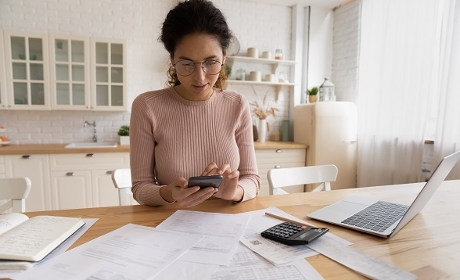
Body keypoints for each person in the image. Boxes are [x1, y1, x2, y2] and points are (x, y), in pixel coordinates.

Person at [129, 0, 260, 207]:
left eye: (210, 62)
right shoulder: (147, 106)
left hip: (227, 224)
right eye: (187, 63)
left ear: (224, 57)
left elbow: (252, 179)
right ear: (172, 58)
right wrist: (168, 193)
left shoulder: (237, 105)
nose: (200, 77)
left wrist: (234, 192)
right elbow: (140, 187)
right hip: (170, 225)